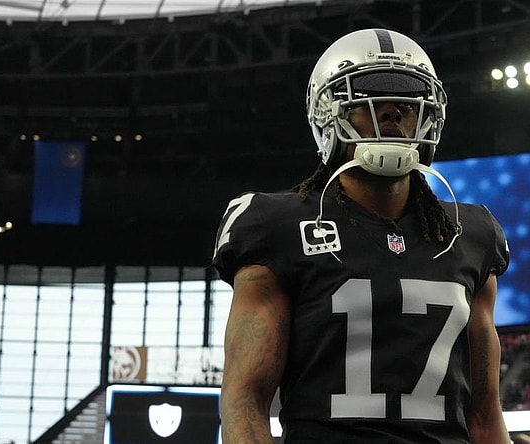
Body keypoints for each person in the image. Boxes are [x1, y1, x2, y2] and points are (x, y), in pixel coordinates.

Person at [212, 28, 510, 444]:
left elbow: (485, 414)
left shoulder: (469, 233)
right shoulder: (275, 224)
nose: (391, 111)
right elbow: (245, 402)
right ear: (327, 114)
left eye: (406, 101)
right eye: (370, 96)